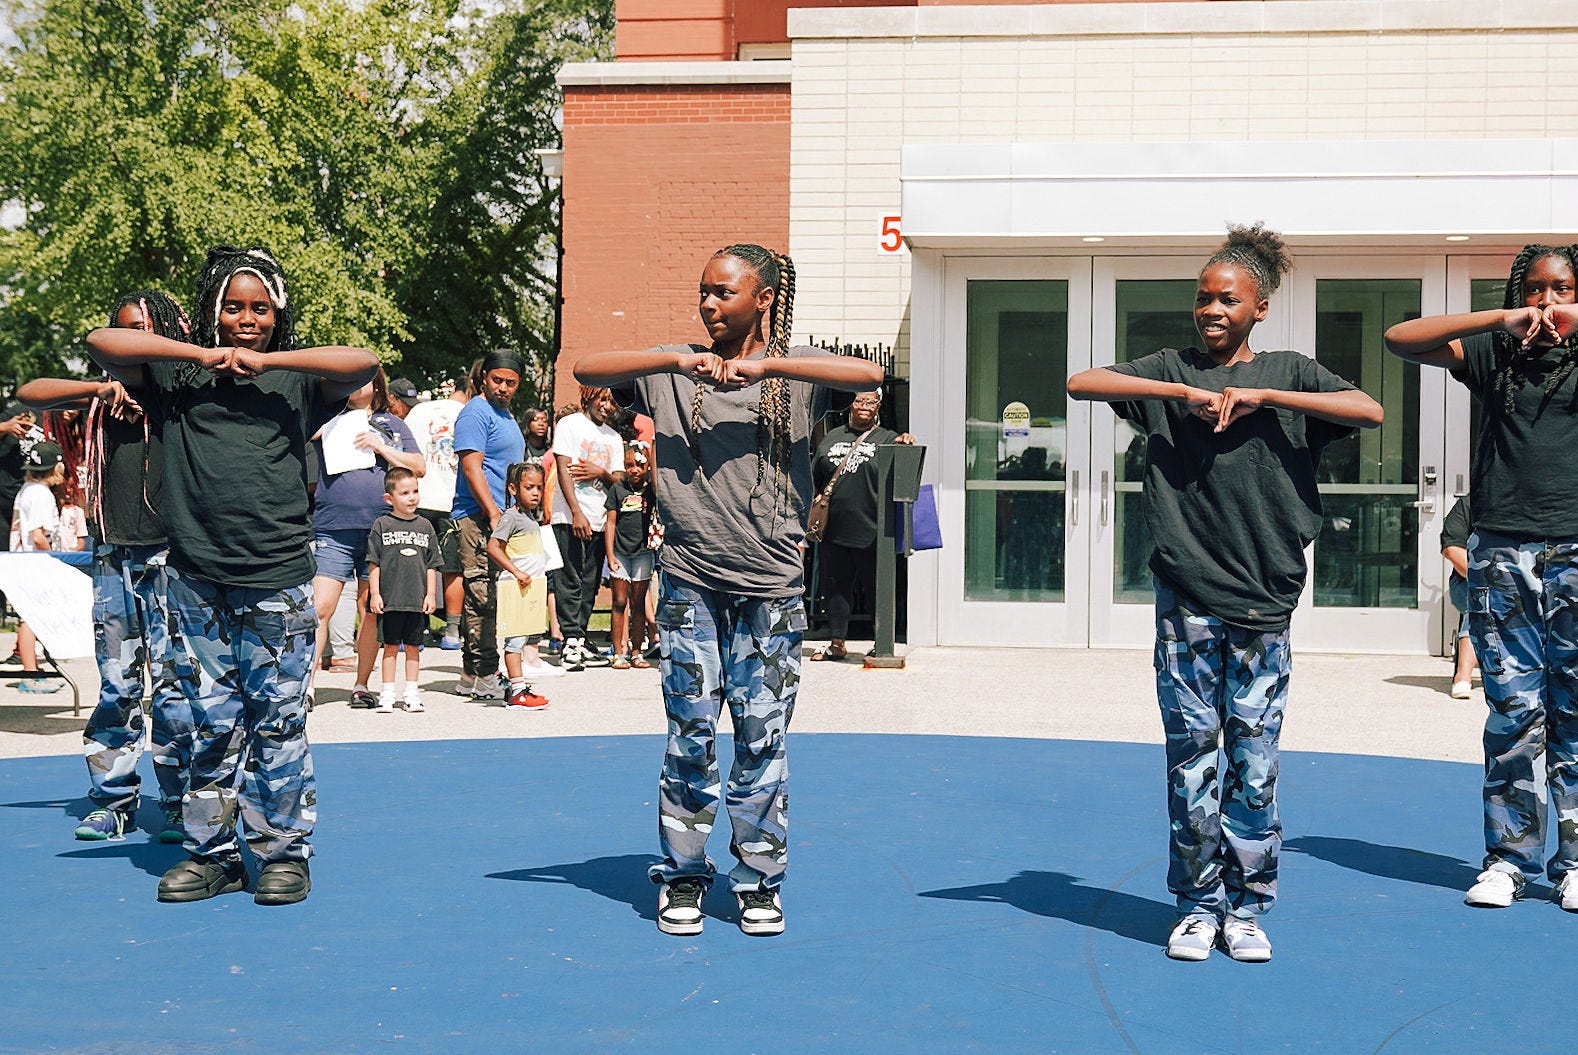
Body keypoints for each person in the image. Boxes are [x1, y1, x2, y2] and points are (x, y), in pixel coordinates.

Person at [1067, 223, 1383, 962]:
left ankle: (1247, 906)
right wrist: (1179, 390)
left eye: (1227, 298)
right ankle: (1197, 904)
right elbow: (1085, 383)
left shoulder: (1292, 375)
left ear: (1260, 307)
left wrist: (1266, 397)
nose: (1211, 309)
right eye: (1203, 297)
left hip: (1265, 600)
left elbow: (1368, 409)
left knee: (1254, 761)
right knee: (1191, 758)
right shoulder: (1170, 373)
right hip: (1186, 598)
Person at [576, 242, 883, 937]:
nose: (709, 304)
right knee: (690, 735)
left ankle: (758, 877)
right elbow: (587, 369)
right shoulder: (670, 369)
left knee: (760, 737)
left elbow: (870, 374)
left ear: (763, 298)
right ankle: (684, 873)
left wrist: (765, 364)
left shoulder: (795, 376)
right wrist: (675, 361)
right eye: (704, 292)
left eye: (724, 293)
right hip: (689, 585)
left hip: (772, 590)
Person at [87, 244, 378, 905]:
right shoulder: (174, 379)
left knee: (277, 720)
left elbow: (362, 363)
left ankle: (283, 852)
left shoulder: (296, 382)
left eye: (261, 308)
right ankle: (213, 852)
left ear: (278, 313)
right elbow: (100, 342)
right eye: (233, 307)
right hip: (194, 581)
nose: (247, 319)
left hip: (276, 579)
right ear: (212, 310)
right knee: (207, 724)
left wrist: (268, 360)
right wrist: (197, 355)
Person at [1384, 243, 1578, 914]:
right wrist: (1500, 321)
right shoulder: (1497, 354)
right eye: (1535, 289)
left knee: (1575, 713)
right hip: (1502, 553)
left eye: (1562, 289)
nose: (1547, 302)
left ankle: (1575, 859)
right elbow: (1399, 339)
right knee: (1515, 713)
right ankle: (1510, 858)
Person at [17, 290, 194, 841]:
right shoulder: (96, 399)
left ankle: (180, 797)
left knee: (174, 683)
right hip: (114, 553)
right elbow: (30, 392)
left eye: (142, 331)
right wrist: (101, 386)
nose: (129, 343)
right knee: (117, 685)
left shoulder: (184, 396)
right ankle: (114, 797)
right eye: (121, 332)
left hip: (174, 557)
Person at [309, 367, 424, 709]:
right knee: (320, 608)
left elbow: (418, 466)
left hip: (380, 530)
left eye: (361, 379)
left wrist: (381, 447)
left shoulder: (393, 424)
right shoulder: (328, 418)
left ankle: (361, 685)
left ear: (376, 385)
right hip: (333, 527)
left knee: (370, 608)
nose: (353, 385)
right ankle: (308, 686)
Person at [808, 387, 915, 662]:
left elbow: (903, 471)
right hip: (834, 531)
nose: (865, 405)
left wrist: (905, 444)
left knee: (877, 590)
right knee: (835, 589)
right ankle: (836, 643)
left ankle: (882, 643)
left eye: (871, 401)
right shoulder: (832, 437)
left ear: (879, 406)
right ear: (850, 405)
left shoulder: (888, 438)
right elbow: (814, 478)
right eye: (859, 400)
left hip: (874, 531)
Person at [452, 350, 526, 699]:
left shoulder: (507, 416)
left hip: (503, 518)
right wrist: (494, 512)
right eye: (498, 380)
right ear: (484, 378)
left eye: (510, 383)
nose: (503, 387)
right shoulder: (476, 412)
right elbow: (471, 468)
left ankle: (470, 673)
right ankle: (485, 674)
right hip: (478, 516)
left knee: (494, 595)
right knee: (482, 596)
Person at [550, 386, 625, 672]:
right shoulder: (570, 424)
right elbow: (563, 467)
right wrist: (576, 512)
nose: (607, 406)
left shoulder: (614, 438)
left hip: (600, 519)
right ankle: (569, 641)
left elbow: (617, 480)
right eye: (602, 399)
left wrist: (601, 473)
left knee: (590, 583)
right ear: (588, 398)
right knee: (569, 580)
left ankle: (578, 640)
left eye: (612, 402)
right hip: (570, 516)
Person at [404, 365, 473, 650]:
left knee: (416, 566)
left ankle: (416, 631)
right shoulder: (470, 414)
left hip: (418, 498)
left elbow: (404, 446)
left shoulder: (420, 410)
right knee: (452, 569)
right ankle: (452, 632)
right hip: (451, 501)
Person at [366, 466, 440, 713]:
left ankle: (411, 693)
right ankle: (387, 693)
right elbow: (373, 563)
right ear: (390, 498)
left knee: (413, 647)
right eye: (405, 493)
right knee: (389, 646)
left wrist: (430, 594)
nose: (412, 497)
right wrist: (375, 594)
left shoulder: (426, 526)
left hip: (416, 599)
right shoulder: (382, 525)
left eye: (415, 491)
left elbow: (431, 565)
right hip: (391, 599)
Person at [486, 461, 554, 708]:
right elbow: (493, 546)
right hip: (515, 587)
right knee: (514, 642)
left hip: (530, 588)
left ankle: (516, 685)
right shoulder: (511, 517)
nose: (535, 492)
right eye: (529, 487)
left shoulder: (529, 518)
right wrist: (516, 571)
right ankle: (516, 691)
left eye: (539, 487)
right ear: (514, 489)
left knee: (523, 639)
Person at [8, 439, 67, 693]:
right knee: (30, 618)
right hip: (35, 562)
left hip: (22, 560)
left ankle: (33, 668)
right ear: (57, 468)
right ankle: (30, 673)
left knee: (29, 617)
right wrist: (56, 561)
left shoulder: (27, 489)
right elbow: (39, 536)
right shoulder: (41, 495)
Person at [604, 443, 655, 669]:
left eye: (639, 465)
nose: (634, 470)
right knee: (619, 602)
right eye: (629, 465)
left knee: (638, 604)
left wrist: (651, 455)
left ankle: (636, 651)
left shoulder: (652, 489)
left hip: (643, 553)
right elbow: (611, 523)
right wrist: (610, 555)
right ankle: (618, 652)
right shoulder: (618, 489)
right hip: (620, 553)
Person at [1440, 494, 1478, 700]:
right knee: (1480, 600)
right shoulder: (1468, 504)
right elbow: (1451, 549)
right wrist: (1482, 579)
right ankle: (1463, 676)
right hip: (1467, 580)